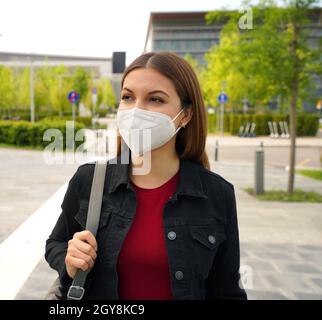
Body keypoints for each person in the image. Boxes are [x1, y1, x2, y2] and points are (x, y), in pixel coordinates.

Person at [45, 51, 247, 300]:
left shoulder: (217, 194)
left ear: (185, 115)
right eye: (128, 97)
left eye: (155, 99)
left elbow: (227, 290)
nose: (136, 110)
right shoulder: (89, 180)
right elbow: (55, 242)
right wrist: (69, 259)